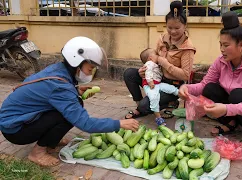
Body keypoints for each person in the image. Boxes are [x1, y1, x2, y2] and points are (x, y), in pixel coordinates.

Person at [0, 36, 139, 166]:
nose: (91, 73)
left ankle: (51, 140)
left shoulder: (57, 69)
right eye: (90, 68)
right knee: (68, 116)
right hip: (15, 130)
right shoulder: (60, 87)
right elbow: (85, 124)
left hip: (15, 119)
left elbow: (50, 94)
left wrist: (75, 91)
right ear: (76, 63)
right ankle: (37, 153)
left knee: (74, 104)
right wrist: (119, 123)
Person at [179, 11, 242, 150]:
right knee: (210, 89)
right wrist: (187, 88)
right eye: (220, 45)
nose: (222, 50)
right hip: (239, 107)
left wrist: (226, 109)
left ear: (241, 45)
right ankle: (232, 123)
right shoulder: (221, 62)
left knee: (238, 94)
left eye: (226, 45)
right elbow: (204, 85)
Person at [124, 0, 196, 120]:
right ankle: (141, 105)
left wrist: (164, 62)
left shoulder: (187, 48)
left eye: (177, 28)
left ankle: (166, 103)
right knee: (129, 74)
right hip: (157, 78)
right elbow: (154, 57)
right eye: (169, 27)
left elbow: (185, 75)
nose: (173, 31)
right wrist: (145, 69)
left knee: (145, 106)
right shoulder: (162, 39)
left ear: (185, 26)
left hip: (173, 84)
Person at [140, 48, 179, 126]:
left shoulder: (155, 64)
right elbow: (148, 72)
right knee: (154, 98)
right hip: (150, 85)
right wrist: (150, 82)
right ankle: (158, 117)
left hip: (157, 83)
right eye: (156, 55)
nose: (158, 56)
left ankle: (180, 93)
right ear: (150, 58)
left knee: (170, 88)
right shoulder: (149, 63)